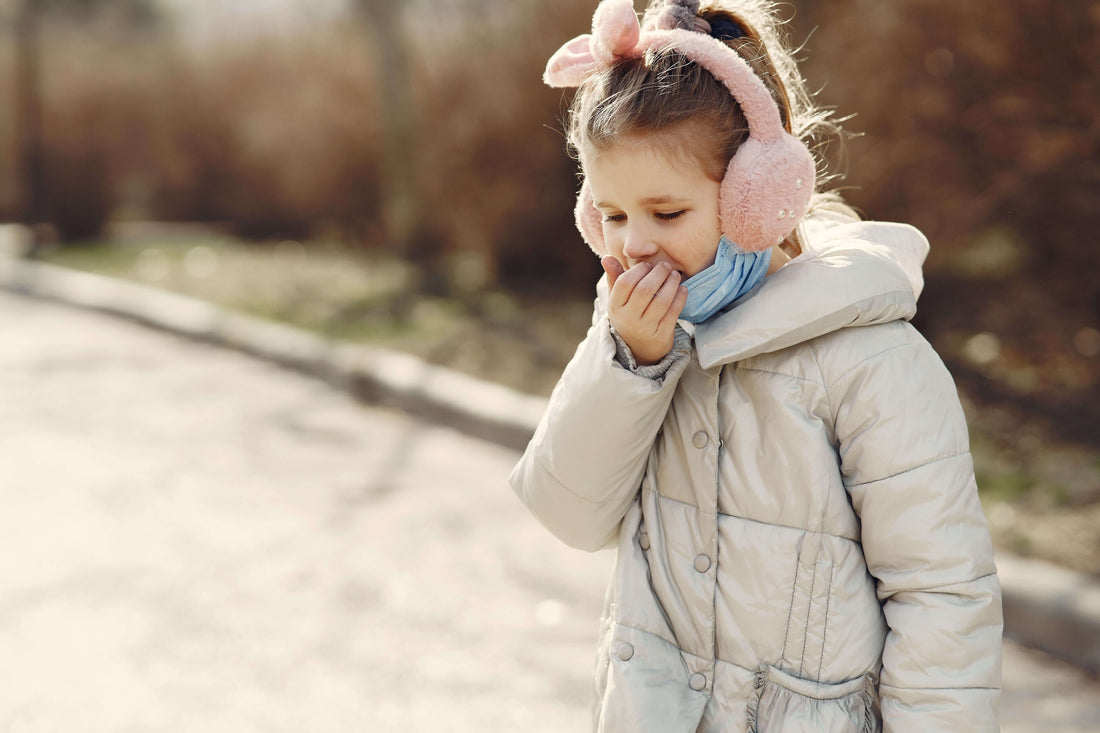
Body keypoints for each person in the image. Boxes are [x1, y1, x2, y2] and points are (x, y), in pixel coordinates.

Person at [509, 0, 1003, 731]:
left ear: (758, 198)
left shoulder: (868, 359)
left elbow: (942, 594)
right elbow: (568, 512)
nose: (634, 244)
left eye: (666, 213)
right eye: (612, 215)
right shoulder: (632, 335)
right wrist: (631, 367)